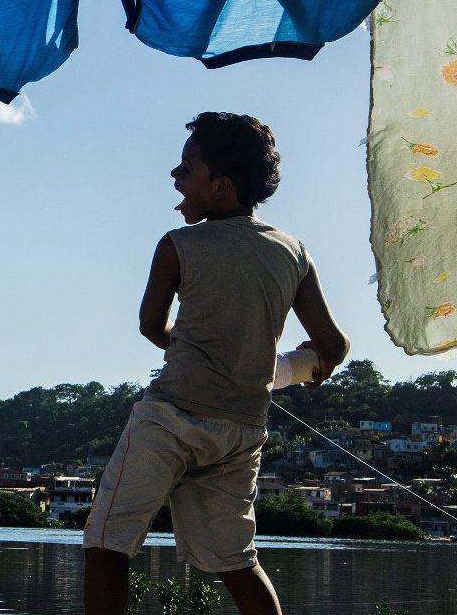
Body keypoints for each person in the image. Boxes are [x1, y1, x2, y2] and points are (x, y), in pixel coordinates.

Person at [82, 112, 349, 615]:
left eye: (187, 168)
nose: (175, 177)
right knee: (236, 560)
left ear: (221, 185)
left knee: (106, 543)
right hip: (240, 435)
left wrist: (196, 352)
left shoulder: (178, 246)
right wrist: (289, 369)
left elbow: (150, 327)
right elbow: (332, 346)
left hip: (169, 421)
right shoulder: (293, 252)